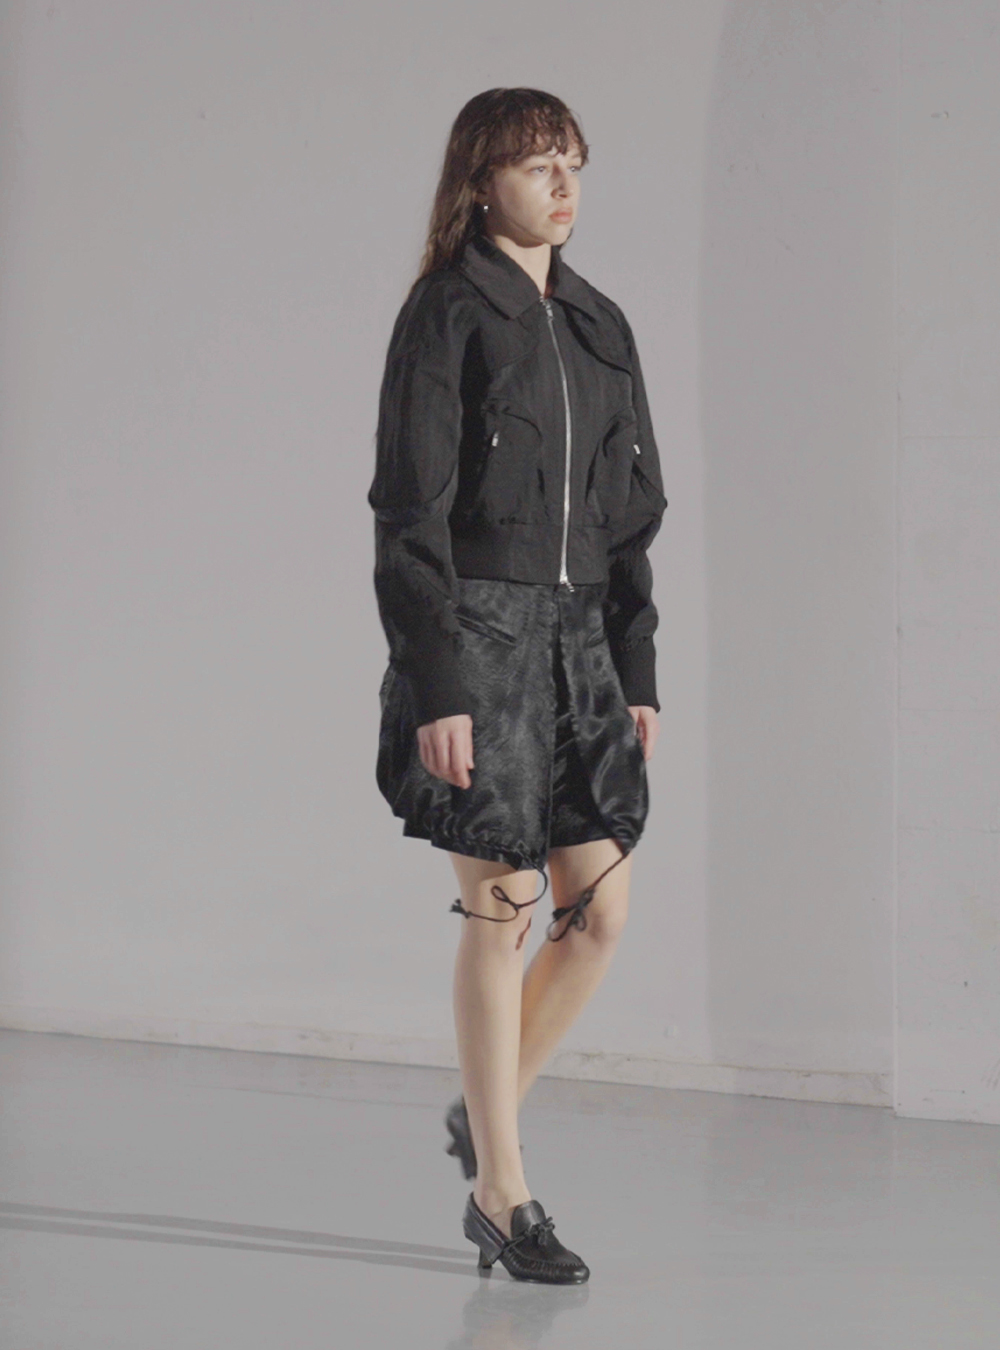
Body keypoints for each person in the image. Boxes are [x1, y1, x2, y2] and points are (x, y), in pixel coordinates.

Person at [367, 88, 667, 1284]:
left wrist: (633, 667)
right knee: (502, 908)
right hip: (479, 639)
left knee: (600, 913)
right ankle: (502, 1190)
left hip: (580, 643)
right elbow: (409, 514)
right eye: (538, 163)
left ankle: (485, 1107)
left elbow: (633, 517)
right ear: (480, 181)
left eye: (573, 162)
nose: (563, 184)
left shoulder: (598, 322)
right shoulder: (447, 311)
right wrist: (438, 682)